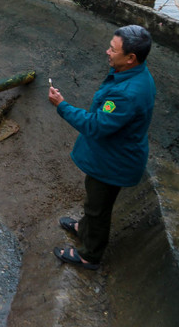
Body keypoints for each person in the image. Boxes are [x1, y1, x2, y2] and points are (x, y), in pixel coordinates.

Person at [48, 25, 156, 270]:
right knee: (94, 201)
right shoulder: (134, 74)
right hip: (112, 154)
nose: (107, 52)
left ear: (131, 57)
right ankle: (83, 228)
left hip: (113, 162)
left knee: (98, 208)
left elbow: (96, 126)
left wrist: (61, 105)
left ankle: (89, 255)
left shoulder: (127, 93)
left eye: (113, 49)